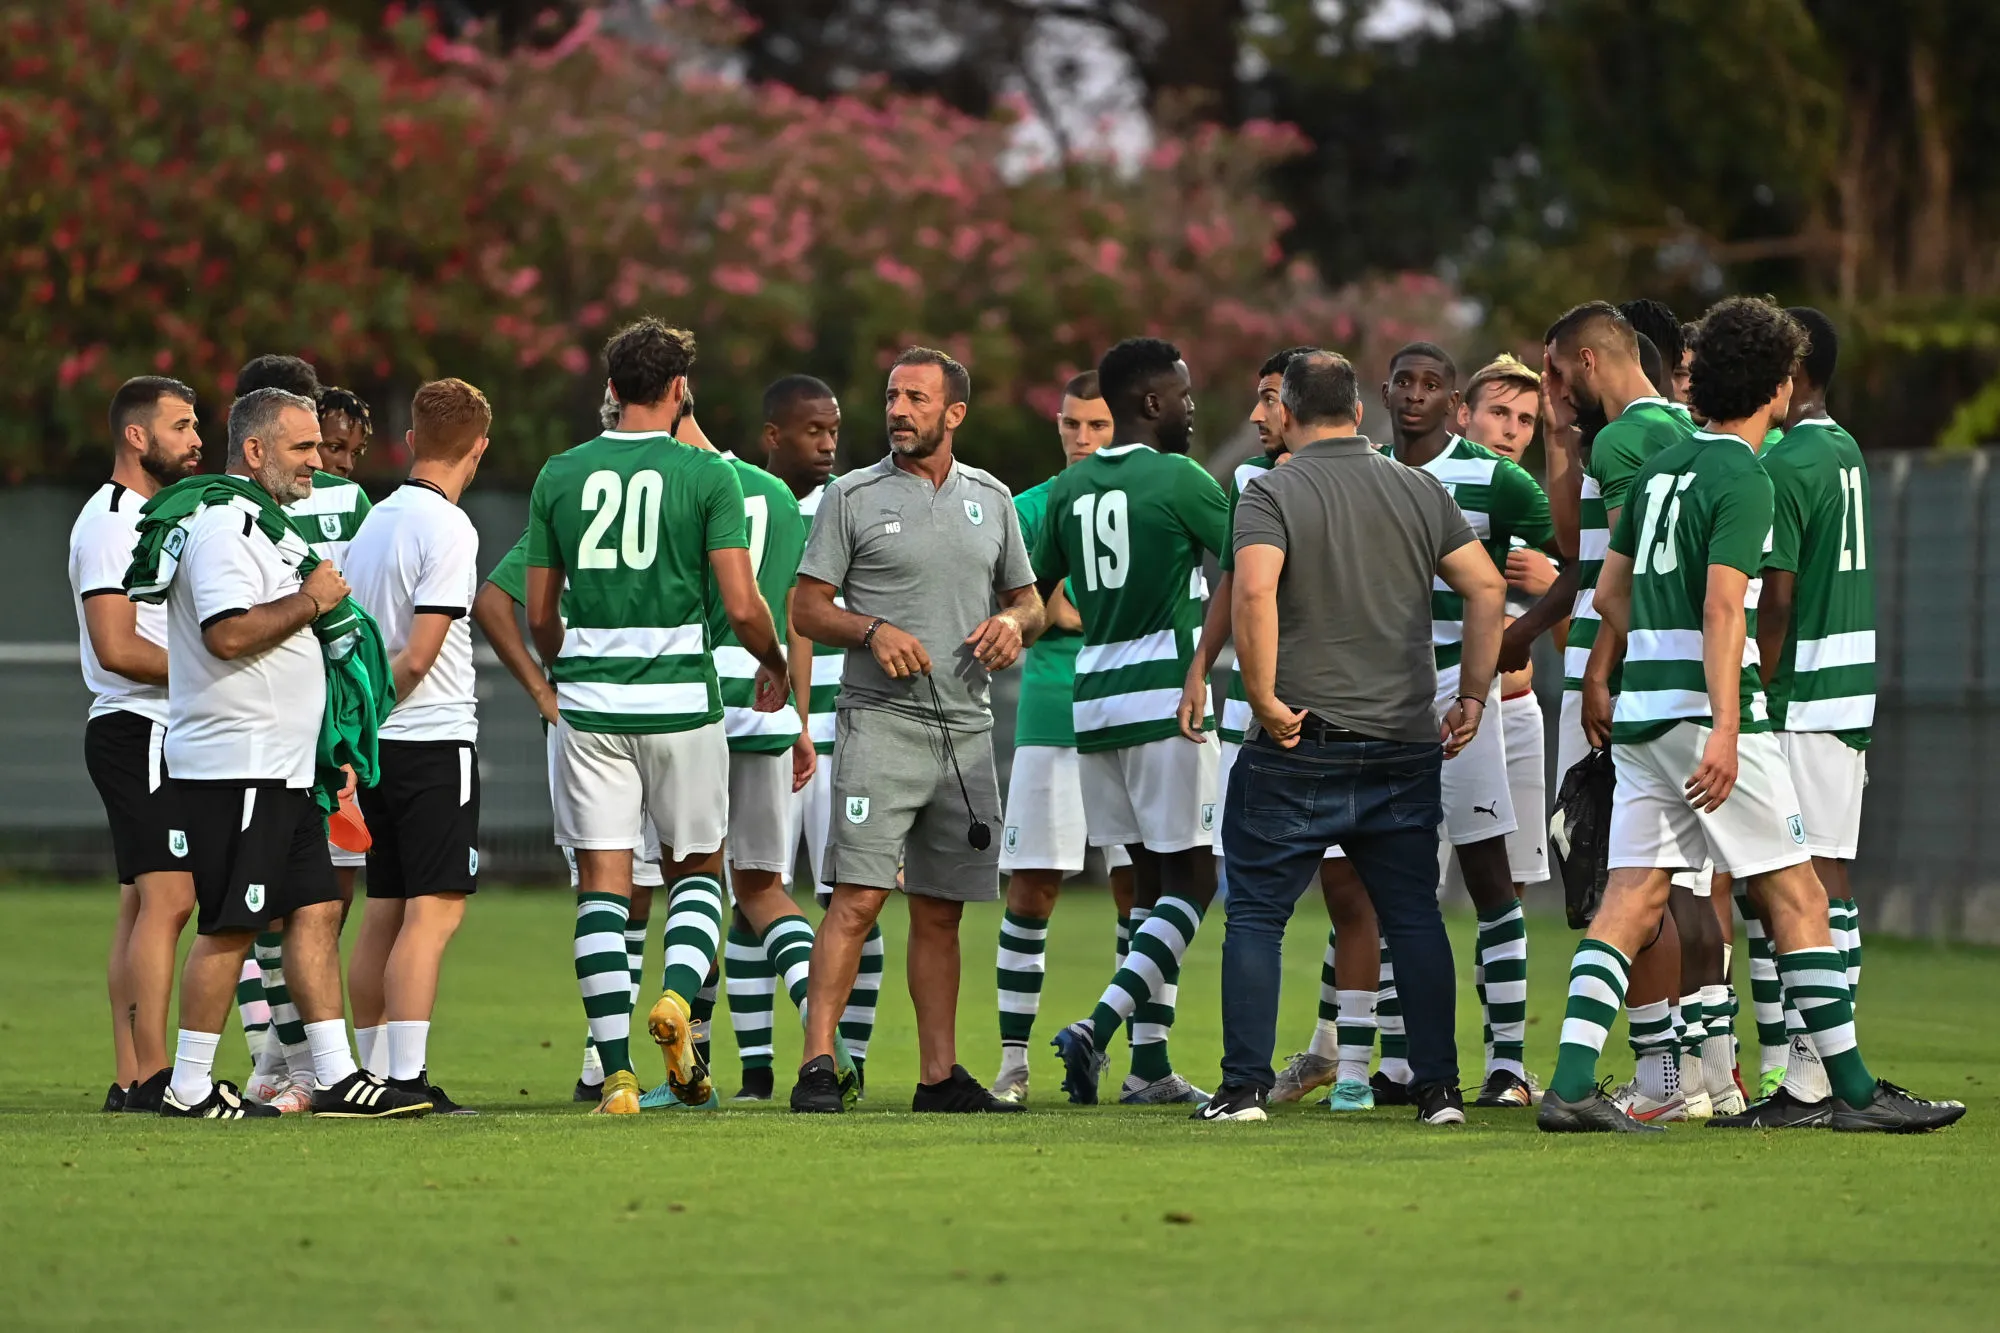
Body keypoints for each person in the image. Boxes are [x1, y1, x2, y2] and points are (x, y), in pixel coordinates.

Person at [1541, 296, 1959, 1134]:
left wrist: (1637, 665)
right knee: (1798, 893)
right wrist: (1728, 724)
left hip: (1643, 717)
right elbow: (1727, 607)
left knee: (1631, 893)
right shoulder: (1744, 473)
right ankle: (1850, 1088)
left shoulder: (1660, 468)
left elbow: (1612, 593)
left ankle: (1570, 1085)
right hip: (1705, 715)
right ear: (1775, 384)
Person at [1200, 350, 1503, 1124]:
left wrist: (1263, 694)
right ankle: (1438, 1091)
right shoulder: (1418, 487)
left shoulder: (1271, 490)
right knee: (1413, 916)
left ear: (1292, 413)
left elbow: (1257, 588)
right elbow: (1489, 586)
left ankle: (1242, 1090)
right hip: (1403, 739)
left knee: (1260, 914)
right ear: (1361, 412)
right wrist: (1469, 694)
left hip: (1303, 739)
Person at [526, 319, 788, 1116]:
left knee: (605, 885)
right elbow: (742, 605)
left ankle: (615, 1074)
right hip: (680, 701)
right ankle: (676, 1001)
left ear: (610, 389)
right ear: (681, 391)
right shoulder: (708, 478)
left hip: (591, 704)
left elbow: (539, 612)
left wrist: (568, 668)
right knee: (697, 869)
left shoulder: (559, 474)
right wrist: (775, 663)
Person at [152, 387, 427, 1119]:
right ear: (254, 450)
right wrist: (313, 600)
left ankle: (336, 1075)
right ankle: (187, 1087)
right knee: (231, 924)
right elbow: (228, 632)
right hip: (237, 761)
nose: (317, 462)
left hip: (285, 762)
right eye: (303, 448)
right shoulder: (222, 526)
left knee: (313, 912)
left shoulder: (264, 524)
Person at [790, 347, 1044, 1114]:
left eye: (916, 399)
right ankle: (818, 1065)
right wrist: (871, 630)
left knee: (941, 908)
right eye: (893, 396)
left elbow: (1031, 603)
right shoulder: (852, 496)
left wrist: (1012, 621)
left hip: (967, 733)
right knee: (858, 899)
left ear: (954, 414)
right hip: (878, 724)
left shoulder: (993, 498)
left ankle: (938, 1076)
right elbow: (806, 608)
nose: (898, 410)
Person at [1187, 349, 1384, 1112]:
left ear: (1301, 407)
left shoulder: (1361, 480)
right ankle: (1306, 1063)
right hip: (1262, 718)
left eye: (1271, 400)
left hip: (1331, 715)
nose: (1259, 416)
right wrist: (1203, 664)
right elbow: (1235, 588)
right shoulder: (1249, 484)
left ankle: (1352, 1066)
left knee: (1349, 893)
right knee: (1264, 899)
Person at [1034, 340, 1228, 1107]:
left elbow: (1036, 588)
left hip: (1094, 701)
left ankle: (1149, 1066)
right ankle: (1100, 1025)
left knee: (1147, 883)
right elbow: (1254, 554)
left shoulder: (1070, 486)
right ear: (1150, 403)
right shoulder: (1181, 478)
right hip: (1165, 700)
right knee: (1197, 880)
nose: (1190, 406)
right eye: (1181, 394)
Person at [474, 389, 673, 1103]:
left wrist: (546, 681)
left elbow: (504, 604)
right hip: (644, 714)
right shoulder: (613, 496)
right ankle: (605, 1051)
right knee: (628, 882)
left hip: (606, 716)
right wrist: (540, 689)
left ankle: (607, 1051)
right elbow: (496, 604)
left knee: (628, 885)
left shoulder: (578, 491)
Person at [1382, 341, 1560, 1108]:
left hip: (1471, 701)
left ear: (1448, 400)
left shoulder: (1496, 481)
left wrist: (1520, 630)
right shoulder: (1370, 473)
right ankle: (1391, 1063)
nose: (1415, 395)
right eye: (1405, 382)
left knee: (1492, 879)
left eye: (1431, 384)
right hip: (1387, 702)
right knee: (1394, 877)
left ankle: (1509, 1064)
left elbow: (1585, 557)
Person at [1538, 301, 1704, 1120]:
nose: (1552, 386)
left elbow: (1620, 570)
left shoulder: (1629, 438)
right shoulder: (1675, 431)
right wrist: (1561, 438)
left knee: (1619, 873)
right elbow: (1577, 540)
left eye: (1556, 369)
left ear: (1590, 361)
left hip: (1620, 681)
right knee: (1652, 879)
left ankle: (1658, 1076)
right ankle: (1677, 1074)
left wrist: (1605, 667)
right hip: (1669, 679)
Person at [672, 402, 843, 1110]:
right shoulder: (776, 496)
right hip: (770, 705)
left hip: (690, 701)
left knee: (694, 882)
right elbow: (790, 613)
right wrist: (798, 713)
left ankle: (678, 1034)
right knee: (764, 889)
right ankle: (824, 1049)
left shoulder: (680, 482)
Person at [226, 355, 376, 1110]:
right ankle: (288, 1062)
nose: (324, 458)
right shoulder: (342, 504)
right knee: (301, 907)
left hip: (278, 718)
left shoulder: (219, 505)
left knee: (281, 907)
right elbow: (355, 607)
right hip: (296, 724)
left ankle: (276, 1057)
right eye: (315, 441)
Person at [341, 378, 492, 1115]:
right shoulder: (450, 529)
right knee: (434, 913)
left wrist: (360, 729)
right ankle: (404, 1076)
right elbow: (419, 653)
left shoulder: (373, 522)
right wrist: (375, 715)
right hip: (430, 740)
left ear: (409, 440)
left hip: (379, 752)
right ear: (479, 448)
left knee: (385, 908)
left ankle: (371, 1073)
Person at [990, 370, 1136, 1104]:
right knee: (1034, 885)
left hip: (1135, 705)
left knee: (1137, 887)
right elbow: (1015, 610)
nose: (1084, 439)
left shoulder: (1149, 496)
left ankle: (1139, 1059)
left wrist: (1069, 604)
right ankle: (1013, 1064)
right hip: (1053, 708)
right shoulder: (1028, 508)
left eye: (1100, 426)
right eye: (1074, 425)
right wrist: (1052, 606)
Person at [1748, 307, 1877, 1112]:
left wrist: (1751, 684)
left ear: (1789, 373)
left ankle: (1811, 1069)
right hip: (1845, 686)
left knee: (1811, 881)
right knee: (1814, 877)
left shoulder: (1789, 460)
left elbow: (1777, 597)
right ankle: (1817, 1062)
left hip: (1805, 694)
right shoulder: (1844, 444)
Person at [746, 375, 885, 1094]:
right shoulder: (747, 500)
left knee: (856, 901)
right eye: (812, 431)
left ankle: (844, 1053)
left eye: (834, 429)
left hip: (852, 726)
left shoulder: (858, 502)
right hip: (780, 725)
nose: (829, 442)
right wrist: (794, 714)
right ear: (774, 435)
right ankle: (754, 1071)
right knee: (755, 893)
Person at [71, 377, 203, 1112]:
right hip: (139, 724)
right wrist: (211, 666)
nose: (194, 439)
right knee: (171, 896)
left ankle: (131, 1075)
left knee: (140, 905)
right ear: (135, 436)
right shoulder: (113, 522)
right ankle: (156, 1073)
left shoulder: (155, 516)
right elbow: (117, 646)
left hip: (149, 726)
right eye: (180, 426)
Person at [1457, 355, 1560, 905]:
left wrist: (1552, 588)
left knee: (1506, 892)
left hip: (1516, 711)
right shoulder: (1430, 494)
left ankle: (1500, 993)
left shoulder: (1535, 517)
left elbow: (1582, 631)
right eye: (1498, 412)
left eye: (1525, 420)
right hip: (1435, 707)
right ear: (1462, 416)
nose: (1511, 430)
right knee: (1394, 891)